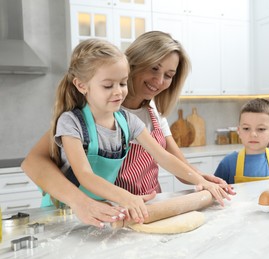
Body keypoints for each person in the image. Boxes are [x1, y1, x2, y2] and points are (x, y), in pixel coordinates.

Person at [22, 32, 232, 228]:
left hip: (138, 210)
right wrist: (94, 200)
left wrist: (203, 180)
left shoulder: (142, 115)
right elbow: (41, 163)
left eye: (169, 75)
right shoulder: (78, 118)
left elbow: (169, 160)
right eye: (153, 68)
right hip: (93, 210)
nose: (159, 81)